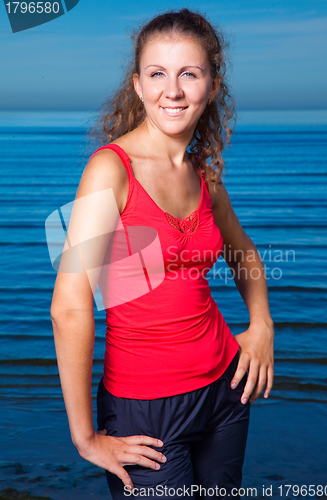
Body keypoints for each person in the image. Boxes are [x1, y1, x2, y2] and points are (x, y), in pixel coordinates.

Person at [50, 8, 274, 500]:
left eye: (188, 74)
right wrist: (85, 438)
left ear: (212, 85)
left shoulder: (203, 173)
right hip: (144, 411)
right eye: (157, 74)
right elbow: (69, 307)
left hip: (226, 392)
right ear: (137, 84)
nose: (171, 91)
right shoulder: (110, 171)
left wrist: (261, 326)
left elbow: (244, 252)